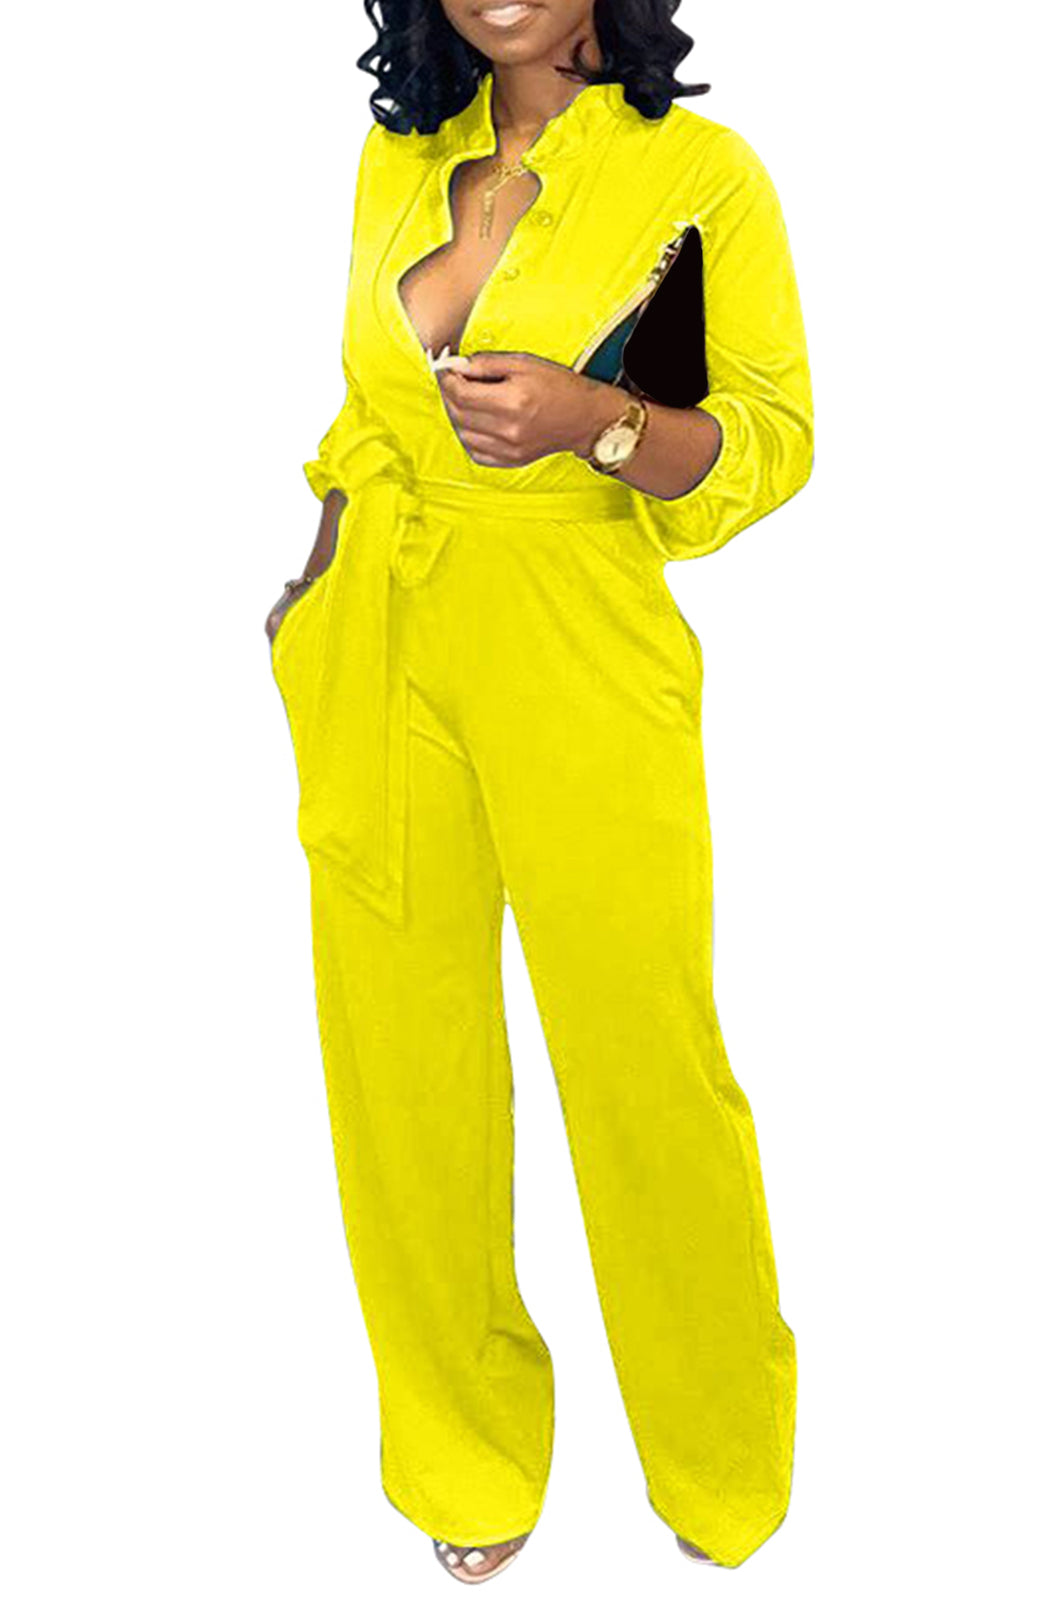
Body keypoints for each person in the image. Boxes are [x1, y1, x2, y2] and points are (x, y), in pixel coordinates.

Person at [265, 0, 813, 1581]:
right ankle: (463, 1453)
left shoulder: (700, 173)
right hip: (380, 630)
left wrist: (600, 423)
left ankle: (719, 1457)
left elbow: (771, 442)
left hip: (578, 626)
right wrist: (312, 590)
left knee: (643, 1057)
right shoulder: (401, 154)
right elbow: (367, 408)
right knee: (400, 1066)